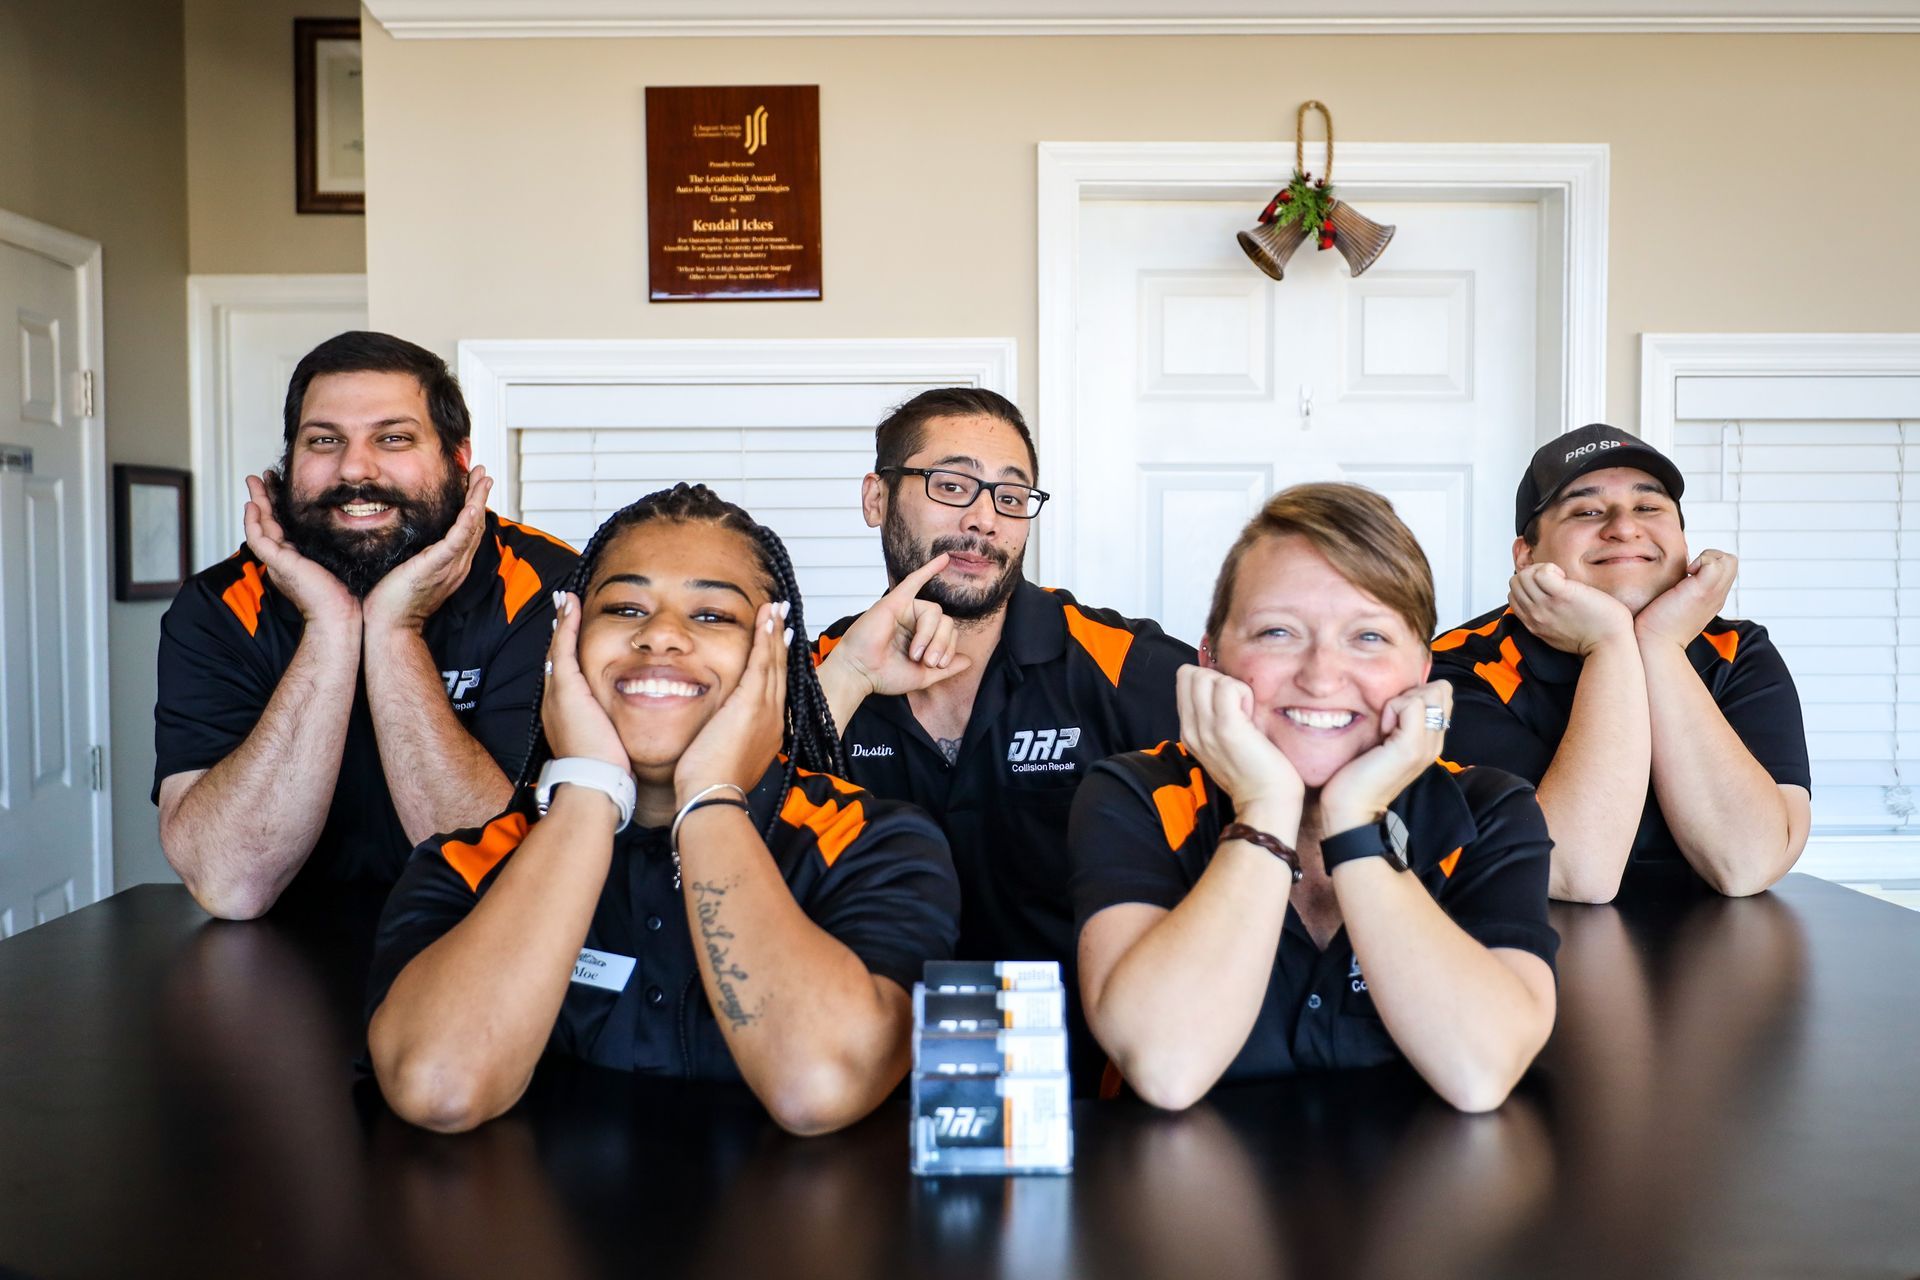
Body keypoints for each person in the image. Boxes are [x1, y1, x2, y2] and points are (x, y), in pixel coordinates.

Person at [366, 484, 961, 1136]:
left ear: (776, 653)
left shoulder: (872, 846)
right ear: (567, 638)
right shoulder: (469, 861)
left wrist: (708, 797)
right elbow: (440, 1087)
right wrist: (588, 790)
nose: (661, 636)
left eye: (712, 615)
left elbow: (816, 1086)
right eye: (625, 608)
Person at [1069, 484, 1558, 1112]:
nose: (1322, 676)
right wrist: (1265, 808)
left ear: (1422, 674)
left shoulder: (1490, 810)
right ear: (1210, 659)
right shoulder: (1135, 796)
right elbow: (1167, 1067)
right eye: (1277, 632)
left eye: (1369, 637)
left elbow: (1480, 1072)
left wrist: (1355, 823)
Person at [810, 388, 1194, 1089]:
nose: (984, 519)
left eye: (1011, 498)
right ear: (876, 499)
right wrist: (850, 680)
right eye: (952, 485)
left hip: (1094, 1098)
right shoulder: (820, 675)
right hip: (856, 1086)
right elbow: (734, 834)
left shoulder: (1122, 667)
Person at [153, 331, 577, 919]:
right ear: (287, 465)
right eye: (324, 440)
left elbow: (495, 872)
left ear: (458, 459)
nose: (354, 468)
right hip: (279, 952)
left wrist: (396, 630)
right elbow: (229, 886)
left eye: (393, 437)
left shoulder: (549, 590)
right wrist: (329, 625)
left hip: (485, 940)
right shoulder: (219, 607)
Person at [1430, 424, 1811, 903]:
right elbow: (1574, 872)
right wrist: (1609, 643)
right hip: (1533, 944)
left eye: (1648, 507)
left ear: (1682, 541)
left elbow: (1748, 864)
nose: (1625, 528)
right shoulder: (1455, 668)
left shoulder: (1741, 651)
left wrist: (1659, 644)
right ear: (1526, 555)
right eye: (1586, 511)